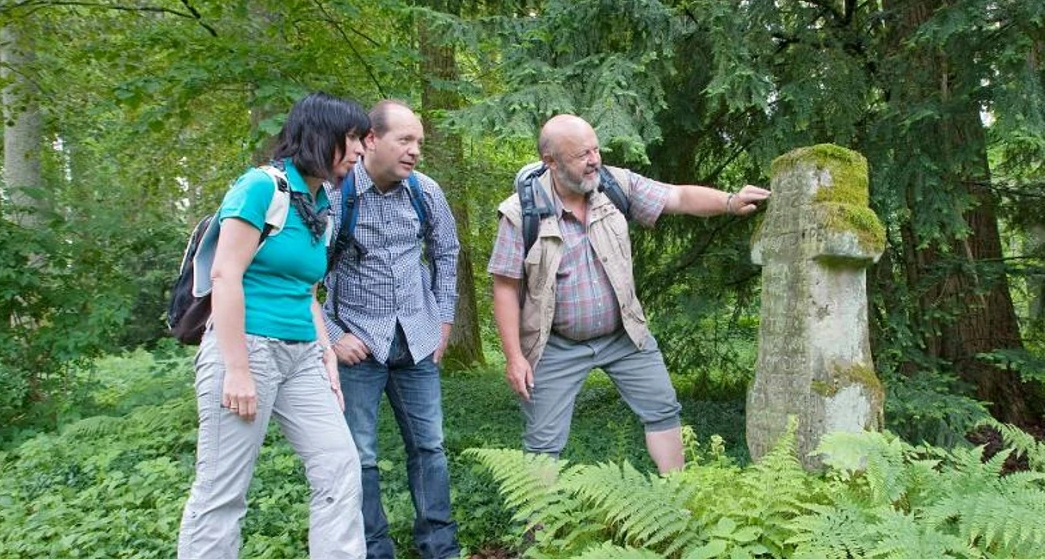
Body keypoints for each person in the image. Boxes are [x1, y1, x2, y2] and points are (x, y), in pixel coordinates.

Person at [488, 114, 770, 473]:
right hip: (554, 344)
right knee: (543, 442)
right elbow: (505, 288)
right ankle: (539, 528)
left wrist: (730, 201)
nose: (594, 160)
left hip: (624, 334)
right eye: (581, 155)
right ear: (551, 163)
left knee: (663, 410)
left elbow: (678, 196)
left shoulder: (613, 185)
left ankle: (681, 503)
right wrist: (515, 357)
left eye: (595, 149)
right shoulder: (519, 213)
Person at [177, 92, 370, 559]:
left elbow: (306, 293)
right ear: (322, 135)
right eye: (353, 139)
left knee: (340, 467)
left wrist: (326, 356)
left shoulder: (323, 201)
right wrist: (237, 369)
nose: (361, 151)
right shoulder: (261, 187)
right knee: (223, 490)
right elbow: (225, 275)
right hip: (246, 347)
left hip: (302, 354)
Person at [323, 99, 461, 559]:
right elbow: (301, 274)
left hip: (418, 342)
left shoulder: (426, 192)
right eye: (404, 140)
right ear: (369, 141)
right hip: (357, 344)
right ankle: (374, 550)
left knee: (430, 449)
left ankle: (439, 550)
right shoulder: (334, 196)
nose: (415, 151)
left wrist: (443, 320)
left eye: (419, 142)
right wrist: (332, 336)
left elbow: (446, 253)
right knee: (359, 457)